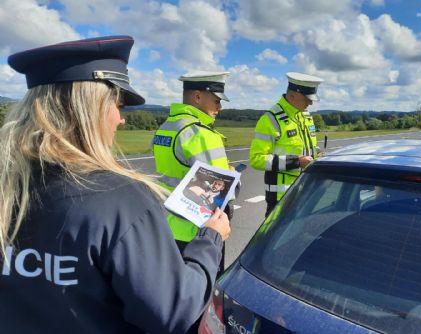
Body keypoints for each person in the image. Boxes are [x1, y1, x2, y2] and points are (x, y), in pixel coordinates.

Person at [0, 35, 230, 334]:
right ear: (89, 109)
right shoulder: (120, 199)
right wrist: (210, 241)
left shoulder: (11, 182)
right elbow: (175, 311)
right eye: (118, 104)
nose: (121, 119)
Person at [153, 71, 234, 257]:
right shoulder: (202, 134)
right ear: (197, 97)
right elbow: (220, 193)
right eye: (216, 101)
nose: (220, 107)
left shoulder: (166, 127)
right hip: (196, 231)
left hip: (166, 224)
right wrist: (234, 179)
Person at [249, 72, 324, 217]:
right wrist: (296, 162)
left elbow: (307, 148)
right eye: (307, 99)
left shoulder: (306, 116)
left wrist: (318, 154)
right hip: (281, 196)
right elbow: (256, 159)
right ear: (292, 96)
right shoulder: (270, 119)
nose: (311, 103)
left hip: (306, 189)